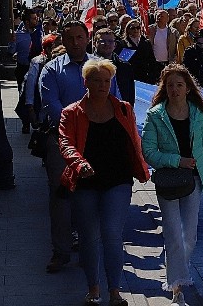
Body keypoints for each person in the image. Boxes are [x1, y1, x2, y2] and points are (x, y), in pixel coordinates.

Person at [59, 59, 149, 306]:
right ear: (85, 82)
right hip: (85, 180)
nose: (102, 85)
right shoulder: (71, 113)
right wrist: (80, 164)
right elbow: (66, 144)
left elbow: (134, 140)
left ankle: (115, 292)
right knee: (88, 236)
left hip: (118, 179)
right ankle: (93, 288)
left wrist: (144, 164)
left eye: (106, 81)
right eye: (96, 80)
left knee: (111, 233)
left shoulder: (123, 109)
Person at [39, 21, 121, 274]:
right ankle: (61, 251)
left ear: (88, 39)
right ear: (63, 40)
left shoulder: (100, 68)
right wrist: (77, 126)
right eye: (70, 38)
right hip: (62, 143)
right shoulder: (51, 71)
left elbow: (113, 101)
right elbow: (51, 106)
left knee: (92, 198)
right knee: (61, 197)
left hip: (96, 143)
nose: (75, 43)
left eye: (79, 37)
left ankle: (90, 250)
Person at [141, 65, 203, 306]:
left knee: (189, 235)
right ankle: (177, 286)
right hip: (169, 181)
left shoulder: (198, 114)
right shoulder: (155, 115)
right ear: (164, 89)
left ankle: (179, 272)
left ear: (188, 88)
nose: (175, 90)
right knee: (173, 234)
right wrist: (177, 160)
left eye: (179, 85)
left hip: (194, 179)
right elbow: (148, 152)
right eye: (170, 85)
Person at [93, 28, 136, 105]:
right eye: (102, 41)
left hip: (119, 111)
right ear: (94, 43)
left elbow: (130, 95)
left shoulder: (125, 66)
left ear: (115, 44)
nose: (106, 44)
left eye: (110, 41)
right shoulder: (87, 66)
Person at [122, 18, 157, 84]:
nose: (136, 30)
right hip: (130, 77)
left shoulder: (146, 42)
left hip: (145, 77)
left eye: (138, 27)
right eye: (133, 28)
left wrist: (152, 76)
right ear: (128, 30)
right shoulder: (123, 43)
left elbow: (152, 60)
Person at [149, 10, 177, 81]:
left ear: (167, 19)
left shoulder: (173, 32)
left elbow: (177, 47)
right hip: (154, 63)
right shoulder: (150, 30)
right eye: (158, 16)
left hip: (168, 62)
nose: (159, 18)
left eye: (162, 16)